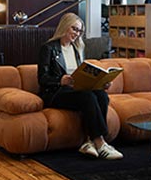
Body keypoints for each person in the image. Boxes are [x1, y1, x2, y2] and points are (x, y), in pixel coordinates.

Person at [38, 13, 122, 160]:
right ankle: (100, 143)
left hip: (74, 90)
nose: (77, 34)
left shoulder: (77, 49)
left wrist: (101, 83)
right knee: (87, 97)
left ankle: (89, 141)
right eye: (74, 29)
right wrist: (60, 80)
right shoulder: (48, 48)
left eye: (79, 31)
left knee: (101, 95)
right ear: (65, 26)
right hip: (55, 92)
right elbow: (42, 78)